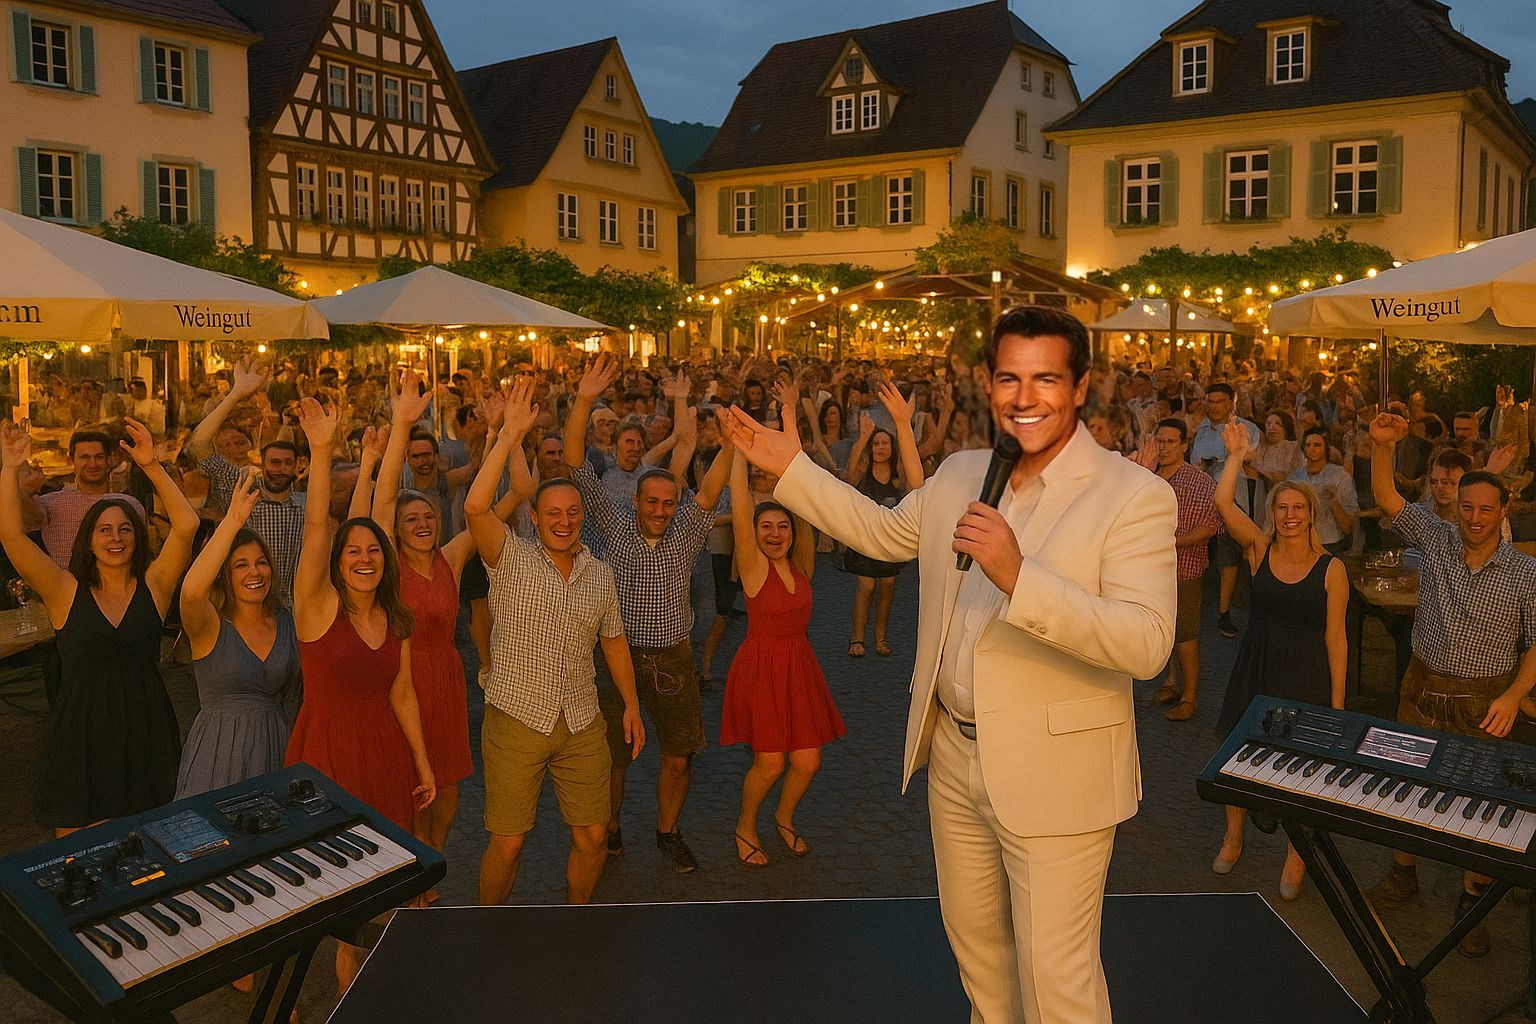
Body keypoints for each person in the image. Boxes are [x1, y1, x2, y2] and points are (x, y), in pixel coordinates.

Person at [724, 306, 1178, 1024]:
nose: (1024, 397)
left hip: (1058, 777)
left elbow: (1148, 643)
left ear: (1082, 387)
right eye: (1009, 377)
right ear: (987, 384)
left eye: (1046, 378)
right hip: (955, 758)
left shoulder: (1135, 496)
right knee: (980, 961)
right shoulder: (964, 472)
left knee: (1057, 981)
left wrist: (1019, 576)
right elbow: (879, 531)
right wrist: (791, 470)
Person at [1365, 412, 1536, 959]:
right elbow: (1387, 495)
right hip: (1422, 682)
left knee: (1478, 797)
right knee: (1407, 779)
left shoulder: (1525, 572)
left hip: (1486, 698)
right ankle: (1403, 871)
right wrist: (1382, 445)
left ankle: (1471, 897)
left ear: (1504, 512)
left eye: (1487, 509)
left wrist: (1513, 696)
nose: (1476, 517)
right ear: (1456, 507)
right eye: (1468, 507)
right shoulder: (1434, 537)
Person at [466, 380, 644, 905]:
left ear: (582, 517)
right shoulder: (510, 557)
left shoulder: (599, 573)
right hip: (516, 717)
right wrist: (506, 434)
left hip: (582, 719)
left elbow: (613, 642)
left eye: (572, 513)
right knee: (509, 842)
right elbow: (477, 509)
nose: (564, 522)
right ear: (536, 519)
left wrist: (631, 705)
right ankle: (487, 927)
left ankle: (574, 916)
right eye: (553, 514)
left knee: (592, 836)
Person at [284, 397, 436, 993]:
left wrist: (422, 761)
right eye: (355, 551)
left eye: (374, 549)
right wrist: (322, 452)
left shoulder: (394, 617)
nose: (365, 557)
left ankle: (371, 970)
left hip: (385, 752)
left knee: (388, 869)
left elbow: (402, 694)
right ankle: (323, 978)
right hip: (326, 754)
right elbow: (318, 525)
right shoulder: (317, 608)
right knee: (329, 875)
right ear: (338, 563)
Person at [563, 353, 733, 874]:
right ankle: (611, 825)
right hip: (617, 656)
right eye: (651, 502)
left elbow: (707, 491)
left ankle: (668, 832)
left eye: (667, 502)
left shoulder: (686, 528)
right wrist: (585, 398)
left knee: (679, 756)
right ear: (635, 501)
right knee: (613, 756)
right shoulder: (613, 523)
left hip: (673, 658)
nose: (660, 510)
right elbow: (573, 465)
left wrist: (731, 442)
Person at [1, 418, 199, 835]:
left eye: (125, 529)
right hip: (81, 732)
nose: (116, 538)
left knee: (145, 841)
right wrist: (8, 469)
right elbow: (12, 536)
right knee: (77, 849)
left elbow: (187, 526)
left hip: (144, 727)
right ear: (88, 540)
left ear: (137, 538)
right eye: (105, 530)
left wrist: (152, 467)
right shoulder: (63, 590)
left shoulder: (155, 588)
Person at [1210, 421, 1348, 900]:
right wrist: (1234, 457)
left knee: (1300, 766)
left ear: (1312, 515)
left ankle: (1296, 855)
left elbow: (1336, 640)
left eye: (1298, 509)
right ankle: (1234, 835)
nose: (1289, 515)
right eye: (1282, 508)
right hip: (1257, 665)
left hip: (1305, 675)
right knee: (1236, 753)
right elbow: (1224, 504)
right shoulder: (1259, 549)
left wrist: (1336, 705)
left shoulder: (1333, 569)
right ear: (1274, 514)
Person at [722, 445, 845, 867]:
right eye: (766, 527)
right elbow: (740, 510)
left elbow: (808, 502)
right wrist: (736, 451)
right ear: (755, 534)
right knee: (771, 763)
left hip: (799, 667)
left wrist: (793, 453)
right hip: (761, 668)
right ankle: (745, 824)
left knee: (808, 761)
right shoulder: (754, 568)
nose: (775, 534)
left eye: (783, 527)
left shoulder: (803, 565)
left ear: (794, 534)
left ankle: (783, 816)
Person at [175, 470, 300, 798]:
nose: (255, 572)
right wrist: (231, 521)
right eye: (241, 565)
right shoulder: (209, 625)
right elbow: (189, 592)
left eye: (261, 562)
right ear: (224, 575)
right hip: (218, 754)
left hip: (273, 749)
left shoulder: (286, 620)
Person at [188, 358, 306, 605]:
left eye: (287, 463)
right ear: (262, 462)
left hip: (296, 613)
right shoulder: (244, 489)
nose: (280, 470)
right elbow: (198, 444)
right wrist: (235, 395)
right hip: (248, 607)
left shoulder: (307, 504)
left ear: (299, 466)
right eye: (274, 462)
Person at [1135, 418, 1220, 722]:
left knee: (1185, 634)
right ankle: (1171, 682)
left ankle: (1190, 696)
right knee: (1162, 629)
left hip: (1184, 569)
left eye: (1171, 442)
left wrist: (1170, 543)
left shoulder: (1199, 481)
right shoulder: (1145, 476)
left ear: (1185, 445)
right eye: (1160, 441)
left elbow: (1210, 528)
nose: (1164, 447)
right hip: (1149, 570)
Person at [842, 382, 927, 658]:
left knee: (888, 586)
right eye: (876, 444)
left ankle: (880, 636)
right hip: (865, 537)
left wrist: (904, 425)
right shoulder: (864, 470)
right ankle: (857, 637)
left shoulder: (898, 473)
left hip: (889, 539)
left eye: (884, 444)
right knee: (866, 586)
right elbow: (849, 473)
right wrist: (863, 438)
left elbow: (915, 477)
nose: (880, 448)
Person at [1191, 383, 1260, 638]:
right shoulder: (1200, 429)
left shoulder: (1246, 427)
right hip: (1203, 500)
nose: (1214, 406)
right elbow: (1195, 462)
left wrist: (1228, 457)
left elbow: (1251, 457)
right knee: (1198, 554)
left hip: (1234, 502)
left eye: (1219, 401)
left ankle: (1224, 612)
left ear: (1231, 402)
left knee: (1228, 557)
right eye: (1210, 402)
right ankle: (1193, 607)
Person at [29, 431, 145, 569]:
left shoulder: (130, 505)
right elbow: (15, 526)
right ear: (72, 460)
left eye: (99, 457)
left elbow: (140, 556)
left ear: (109, 460)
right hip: (65, 587)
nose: (92, 464)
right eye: (85, 457)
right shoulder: (50, 504)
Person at [1290, 428, 1358, 556]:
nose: (1312, 449)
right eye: (1308, 445)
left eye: (1317, 445)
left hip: (1331, 544)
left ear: (1326, 448)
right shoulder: (1295, 478)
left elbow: (1349, 527)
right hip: (1301, 542)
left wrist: (1333, 501)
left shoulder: (1340, 476)